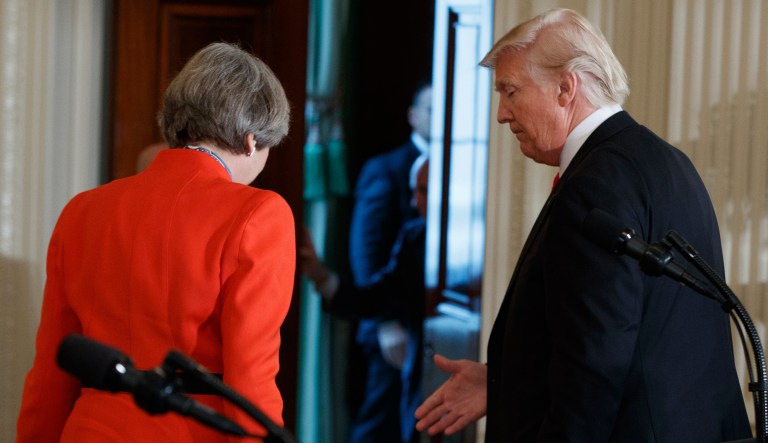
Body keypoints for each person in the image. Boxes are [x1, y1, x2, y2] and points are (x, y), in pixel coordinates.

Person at [414, 8, 751, 442]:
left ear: (565, 88)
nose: (501, 113)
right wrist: (504, 383)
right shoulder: (667, 161)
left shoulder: (595, 184)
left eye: (510, 91)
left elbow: (595, 364)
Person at [16, 42, 295, 442]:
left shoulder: (82, 210)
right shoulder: (258, 214)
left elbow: (52, 373)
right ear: (252, 140)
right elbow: (251, 378)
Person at [301, 156, 429, 443]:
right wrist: (320, 276)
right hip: (416, 378)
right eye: (413, 191)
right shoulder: (415, 235)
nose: (413, 202)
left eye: (422, 191)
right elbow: (375, 298)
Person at [346, 83, 431, 443]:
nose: (439, 117)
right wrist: (384, 322)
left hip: (431, 321)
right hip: (391, 323)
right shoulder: (386, 168)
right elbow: (366, 248)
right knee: (379, 424)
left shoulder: (459, 163)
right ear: (412, 116)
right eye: (431, 109)